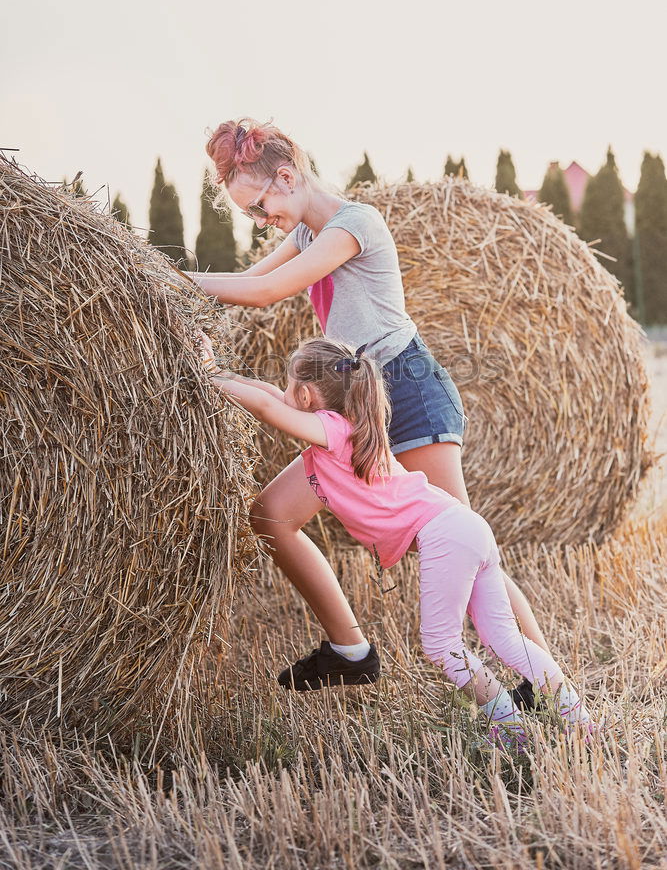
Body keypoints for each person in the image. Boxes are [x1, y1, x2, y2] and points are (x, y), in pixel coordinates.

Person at [193, 117, 549, 700]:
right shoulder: (307, 235)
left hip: (407, 390)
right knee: (271, 516)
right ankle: (350, 650)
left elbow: (264, 292)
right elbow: (247, 277)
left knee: (467, 542)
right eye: (251, 215)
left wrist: (168, 280)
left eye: (259, 207)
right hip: (355, 401)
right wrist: (168, 293)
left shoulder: (355, 224)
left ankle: (546, 682)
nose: (261, 221)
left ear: (286, 176)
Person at [199, 334, 593, 741]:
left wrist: (205, 375)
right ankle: (578, 720)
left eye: (290, 385)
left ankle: (510, 727)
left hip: (445, 534)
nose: (283, 392)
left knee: (442, 646)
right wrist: (217, 372)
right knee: (504, 637)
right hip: (464, 524)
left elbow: (265, 404)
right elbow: (269, 395)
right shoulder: (354, 423)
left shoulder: (332, 432)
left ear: (303, 394)